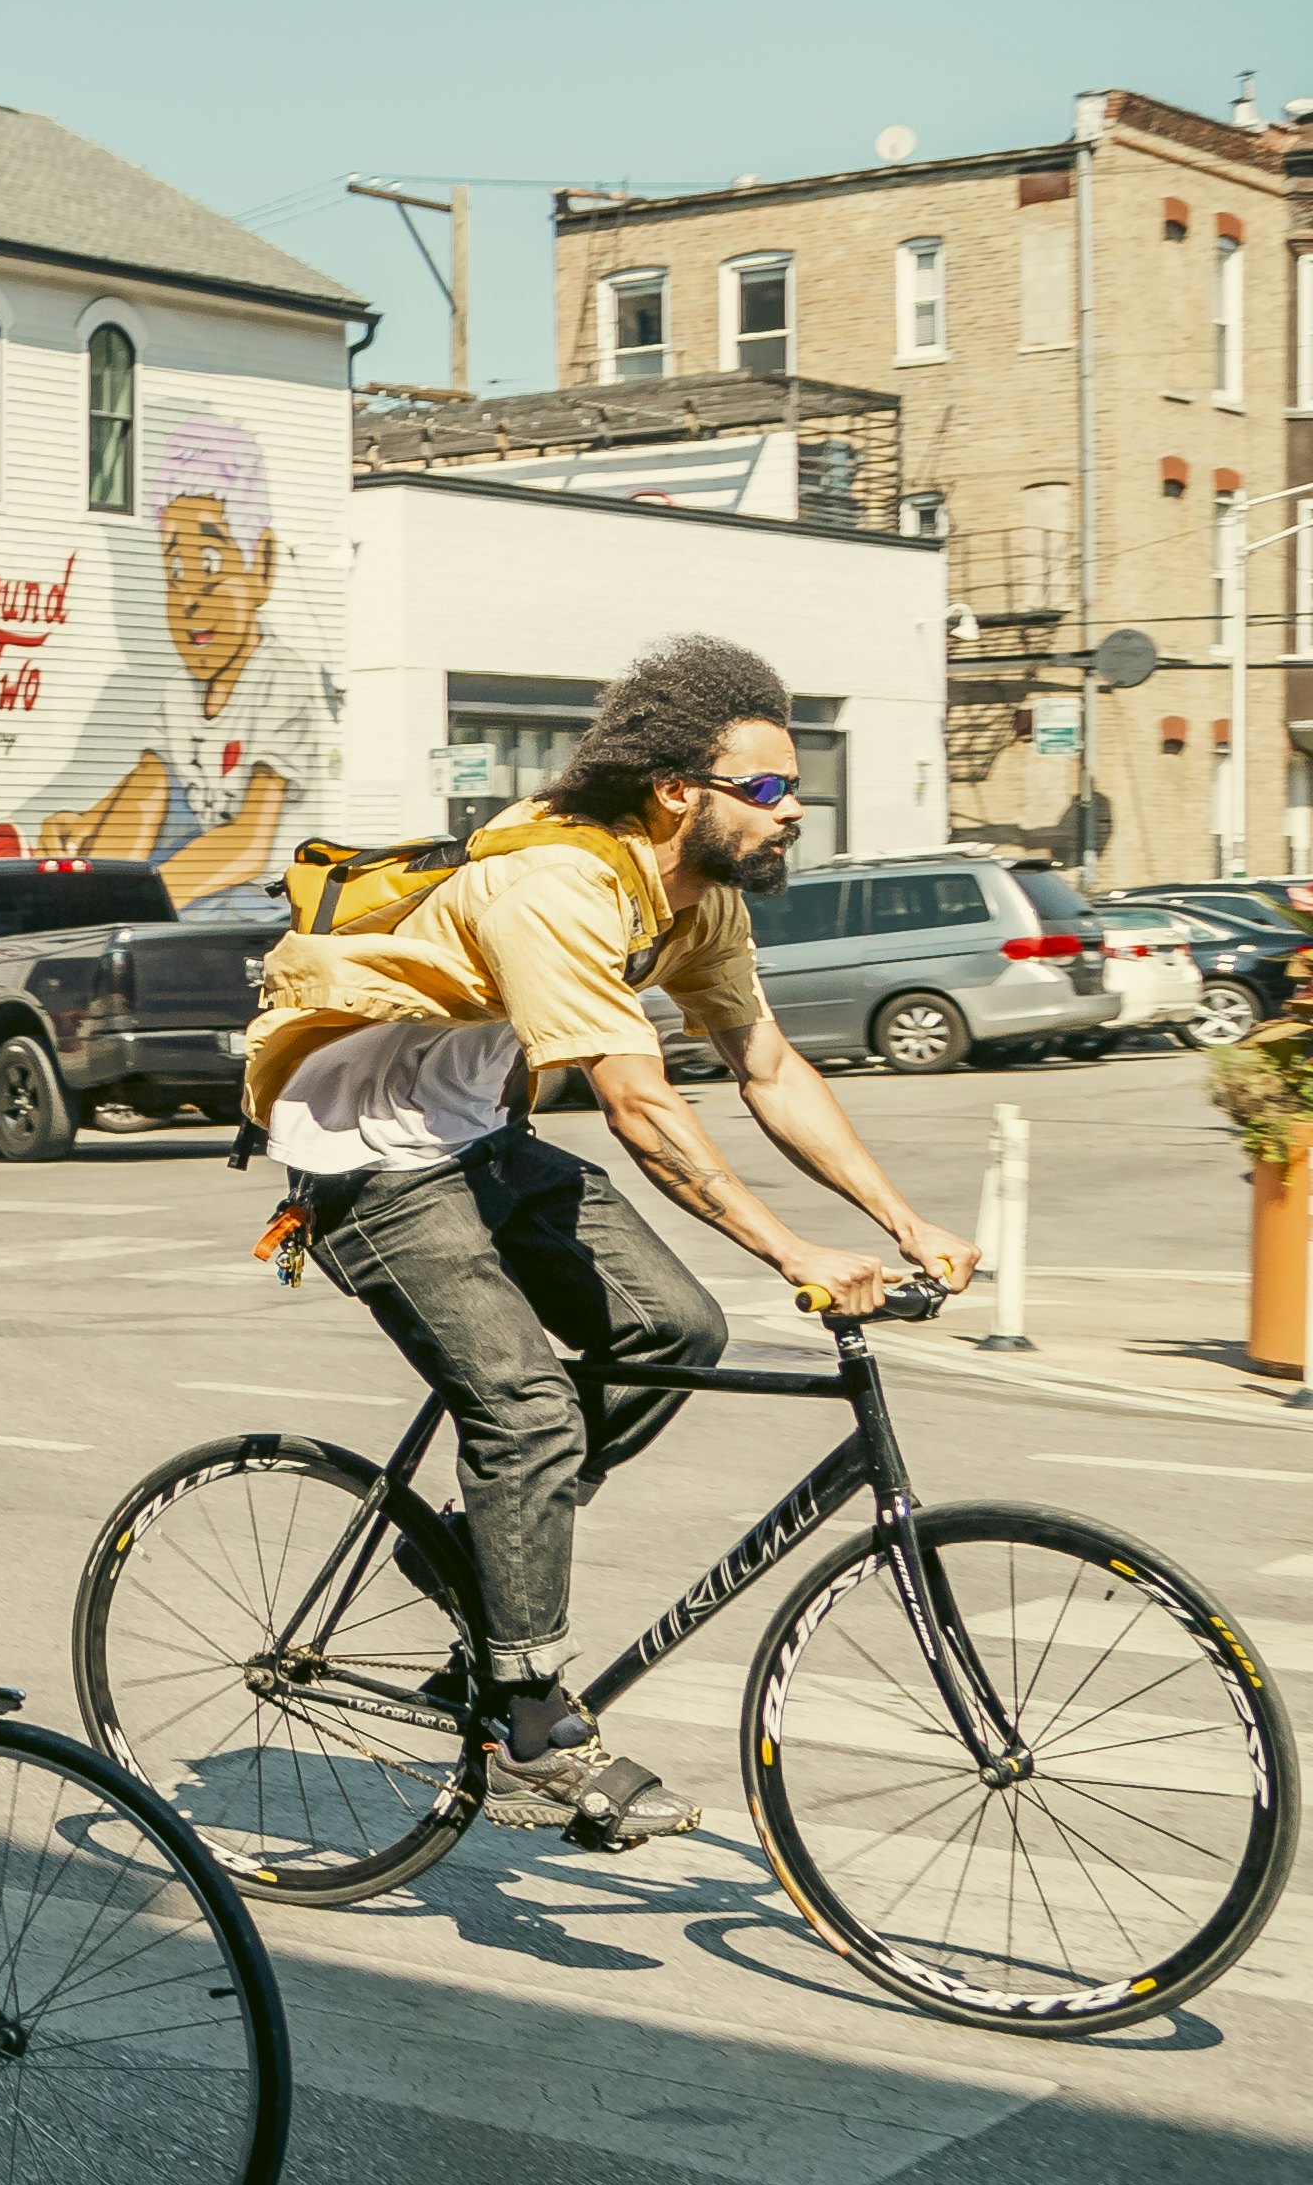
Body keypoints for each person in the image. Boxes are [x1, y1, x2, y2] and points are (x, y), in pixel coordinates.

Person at [241, 634, 975, 1842]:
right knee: (525, 1409)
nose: (795, 811)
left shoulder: (699, 903)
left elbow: (767, 1066)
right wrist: (796, 1255)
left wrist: (901, 1219)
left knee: (672, 1328)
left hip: (472, 1137)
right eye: (771, 790)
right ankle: (529, 1722)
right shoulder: (562, 888)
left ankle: (478, 1564)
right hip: (365, 1159)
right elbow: (640, 1105)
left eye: (799, 788)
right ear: (678, 789)